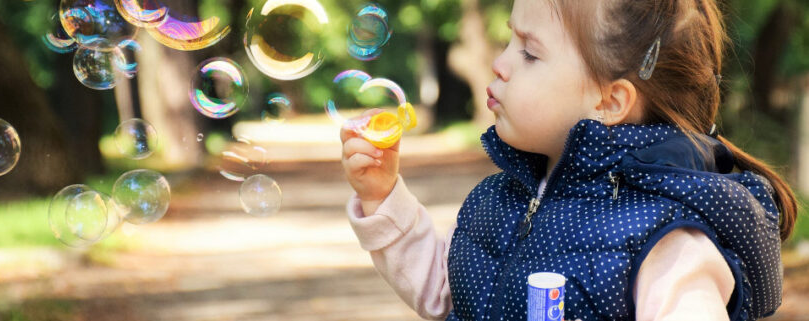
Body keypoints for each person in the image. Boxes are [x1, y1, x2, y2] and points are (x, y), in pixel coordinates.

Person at [339, 0, 798, 319]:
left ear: (610, 101)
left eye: (529, 52)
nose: (500, 63)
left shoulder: (666, 238)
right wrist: (384, 199)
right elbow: (448, 293)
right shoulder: (504, 197)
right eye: (508, 41)